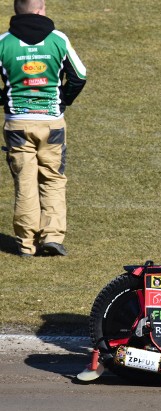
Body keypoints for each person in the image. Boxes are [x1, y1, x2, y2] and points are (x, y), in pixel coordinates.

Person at [0, 0, 87, 257]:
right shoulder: (58, 40)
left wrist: (4, 98)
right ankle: (53, 236)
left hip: (17, 123)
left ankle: (26, 244)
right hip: (51, 122)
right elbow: (79, 75)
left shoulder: (3, 43)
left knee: (24, 183)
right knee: (53, 179)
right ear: (40, 9)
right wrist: (64, 99)